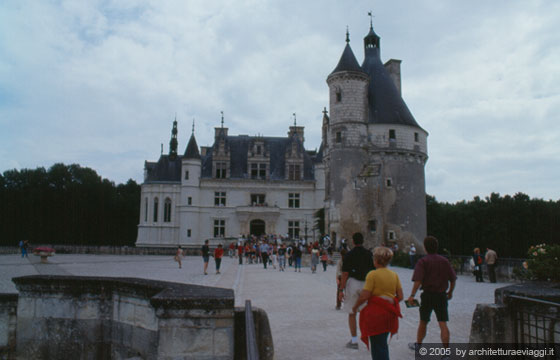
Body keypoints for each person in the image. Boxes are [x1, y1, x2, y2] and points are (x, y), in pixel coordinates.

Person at [352, 247, 403, 360]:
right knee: (383, 345)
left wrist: (355, 306)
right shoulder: (394, 275)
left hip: (376, 315)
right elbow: (400, 297)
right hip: (389, 314)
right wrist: (387, 302)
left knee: (376, 347)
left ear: (376, 260)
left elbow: (364, 296)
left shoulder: (372, 275)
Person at [407, 236, 456, 352]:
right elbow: (453, 279)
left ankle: (418, 345)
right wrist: (450, 292)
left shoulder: (423, 261)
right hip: (441, 295)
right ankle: (446, 351)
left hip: (428, 295)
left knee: (423, 321)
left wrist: (412, 295)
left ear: (425, 248)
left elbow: (418, 280)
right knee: (443, 323)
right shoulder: (444, 261)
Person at [338, 233, 374, 350]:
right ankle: (370, 338)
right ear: (363, 241)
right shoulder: (369, 254)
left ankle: (354, 340)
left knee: (352, 313)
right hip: (366, 283)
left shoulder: (349, 255)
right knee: (367, 313)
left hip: (353, 283)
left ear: (353, 242)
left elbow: (345, 273)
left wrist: (341, 290)